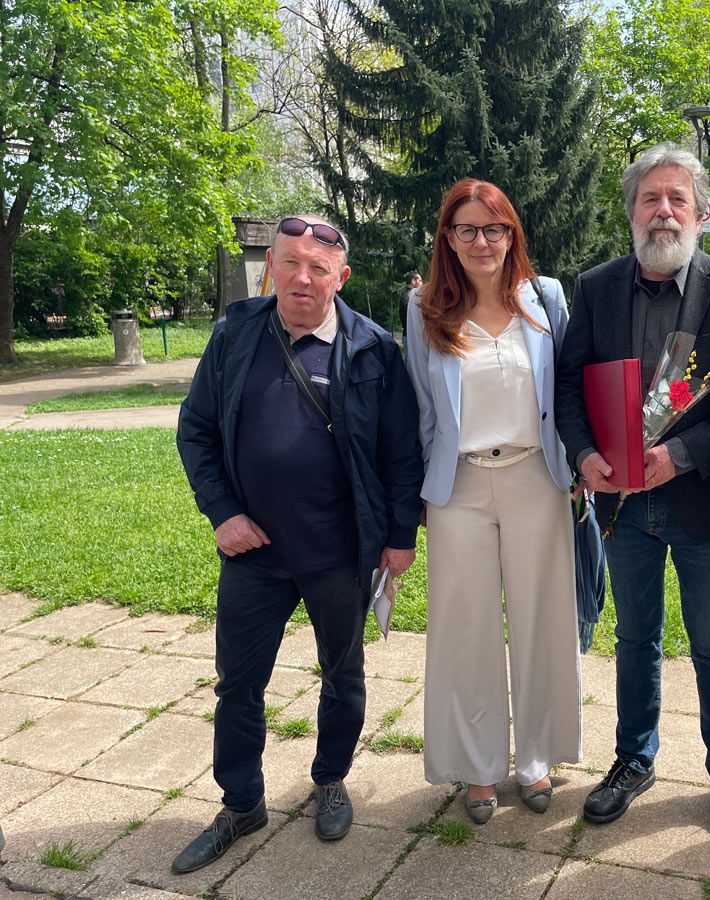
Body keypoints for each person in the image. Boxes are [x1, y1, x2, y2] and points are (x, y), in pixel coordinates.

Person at [174, 215, 423, 872]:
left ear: (341, 278)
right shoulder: (234, 334)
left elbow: (402, 453)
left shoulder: (374, 350)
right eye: (290, 263)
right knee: (237, 685)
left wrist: (400, 538)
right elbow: (196, 430)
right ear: (272, 269)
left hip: (340, 551)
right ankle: (241, 803)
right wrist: (223, 512)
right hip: (253, 555)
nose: (302, 279)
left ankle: (330, 779)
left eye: (318, 268)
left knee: (343, 675)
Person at [555, 144, 710, 847]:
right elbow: (568, 383)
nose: (664, 212)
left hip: (701, 495)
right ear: (631, 213)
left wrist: (680, 455)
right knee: (635, 637)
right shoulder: (596, 288)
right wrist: (583, 453)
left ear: (701, 214)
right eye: (650, 199)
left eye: (678, 199)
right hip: (622, 504)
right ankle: (634, 759)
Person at [406, 179, 581, 824]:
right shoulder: (424, 307)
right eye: (467, 229)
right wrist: (420, 494)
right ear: (448, 239)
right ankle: (478, 767)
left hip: (537, 477)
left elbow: (567, 391)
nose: (481, 241)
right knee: (466, 628)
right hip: (459, 486)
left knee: (543, 620)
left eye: (494, 228)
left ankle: (535, 758)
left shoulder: (546, 298)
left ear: (512, 234)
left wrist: (580, 462)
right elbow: (421, 407)